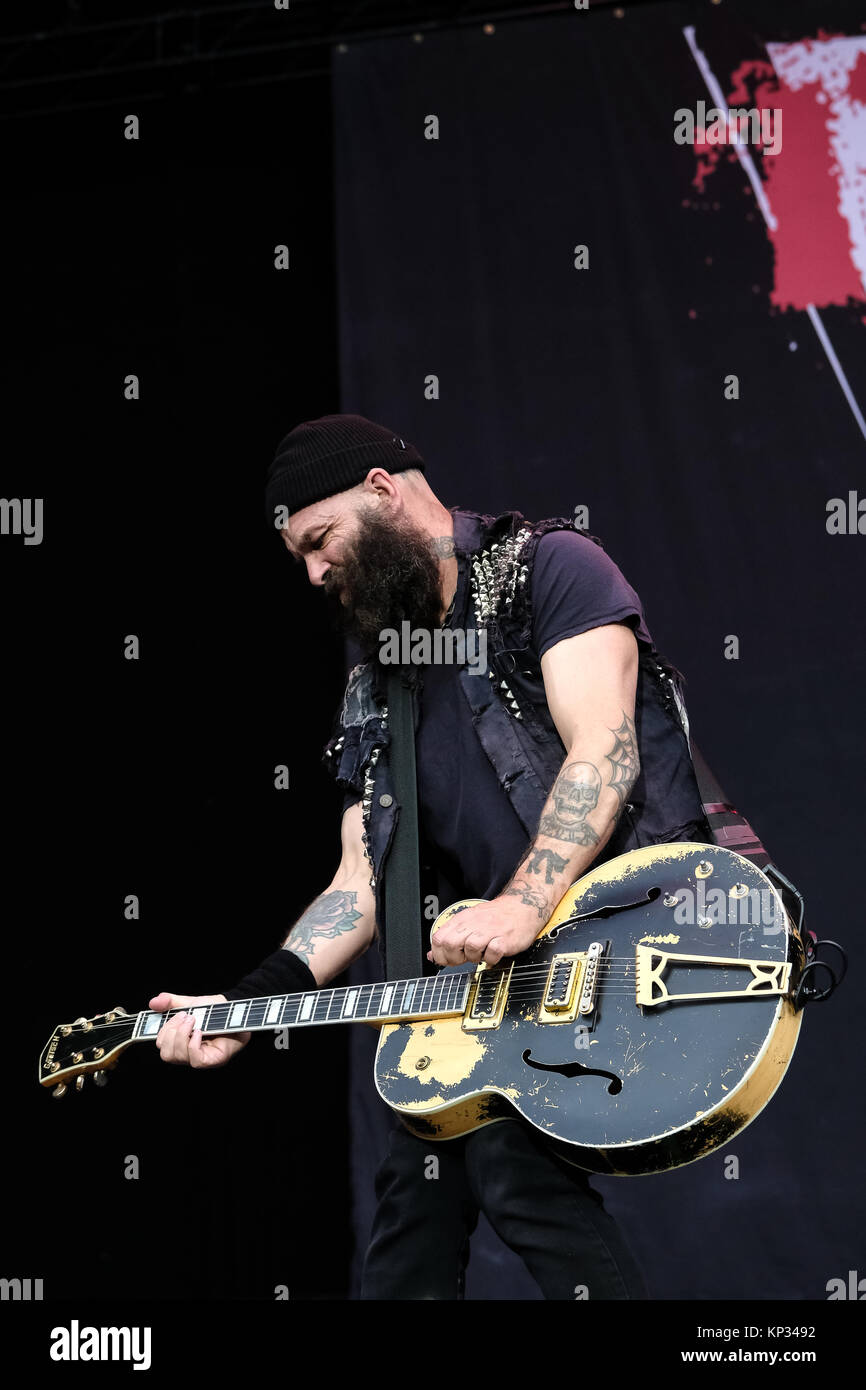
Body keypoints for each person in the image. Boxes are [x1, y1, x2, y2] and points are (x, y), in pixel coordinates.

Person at [151, 413, 710, 1300]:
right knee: (411, 1231)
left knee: (509, 1171)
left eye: (319, 540)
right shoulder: (376, 678)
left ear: (380, 488)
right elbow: (359, 884)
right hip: (478, 998)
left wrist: (523, 905)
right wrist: (248, 1005)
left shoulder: (546, 568)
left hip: (622, 945)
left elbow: (604, 747)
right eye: (299, 557)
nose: (315, 571)